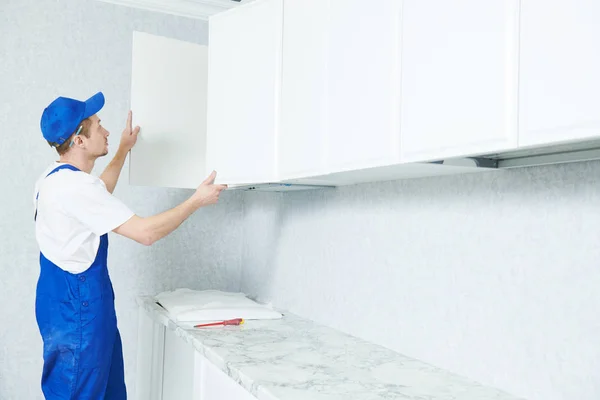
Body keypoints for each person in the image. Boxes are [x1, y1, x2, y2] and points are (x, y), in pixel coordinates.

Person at [33, 91, 226, 399]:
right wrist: (196, 201)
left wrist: (122, 149)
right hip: (79, 315)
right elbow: (146, 233)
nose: (106, 130)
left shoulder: (53, 179)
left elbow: (99, 195)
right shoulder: (74, 187)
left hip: (67, 307)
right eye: (98, 125)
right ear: (79, 140)